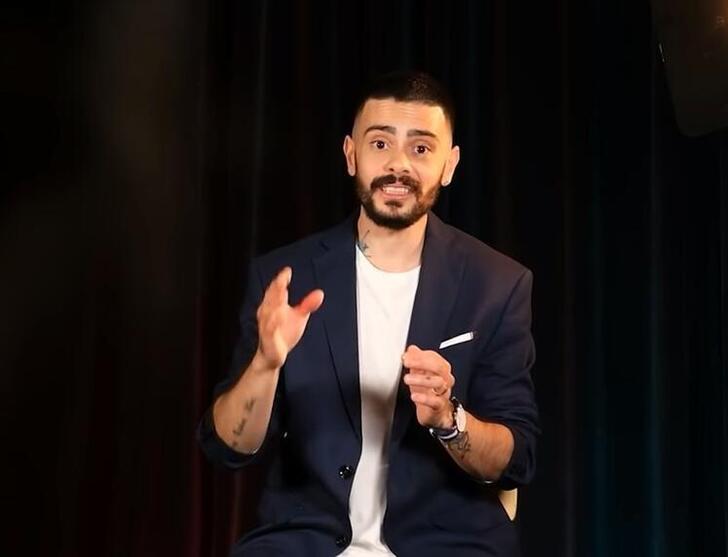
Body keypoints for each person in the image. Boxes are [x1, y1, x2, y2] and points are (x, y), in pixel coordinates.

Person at [197, 70, 539, 557]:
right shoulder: (286, 277)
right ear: (350, 154)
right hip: (306, 544)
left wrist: (449, 417)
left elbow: (516, 459)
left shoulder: (497, 284)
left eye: (420, 148)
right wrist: (265, 366)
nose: (398, 164)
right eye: (380, 143)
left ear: (449, 165)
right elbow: (227, 449)